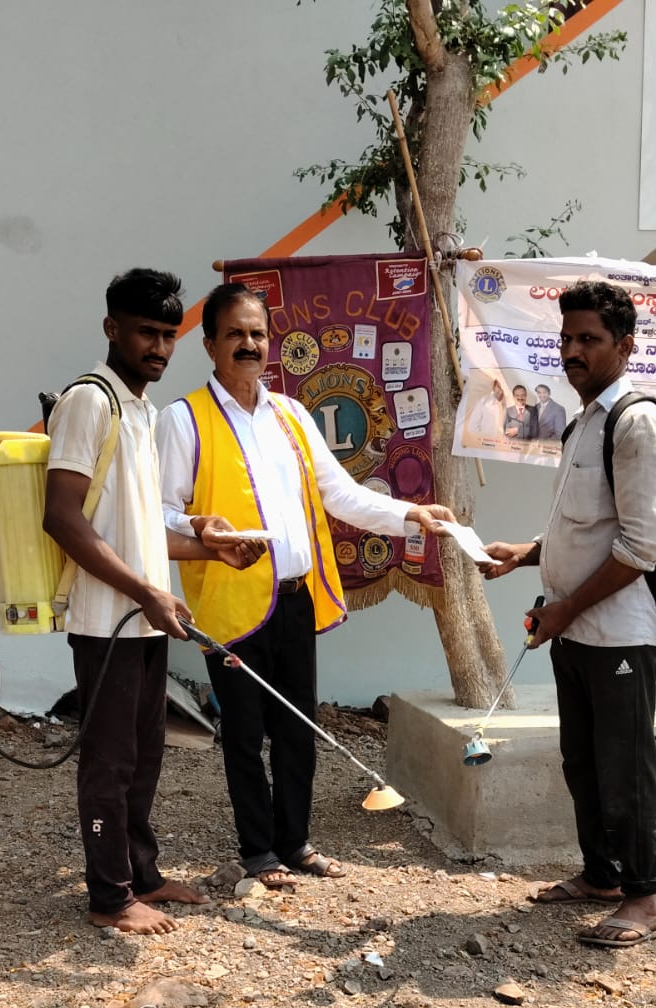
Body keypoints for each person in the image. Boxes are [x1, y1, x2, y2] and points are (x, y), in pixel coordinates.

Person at [156, 280, 453, 891]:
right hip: (231, 606)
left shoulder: (291, 415)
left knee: (299, 728)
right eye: (234, 333)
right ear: (209, 343)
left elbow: (339, 493)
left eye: (258, 333)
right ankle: (257, 851)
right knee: (243, 734)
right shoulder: (182, 420)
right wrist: (198, 525)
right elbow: (156, 512)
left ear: (271, 342)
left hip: (294, 599)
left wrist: (409, 515)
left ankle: (294, 843)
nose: (248, 344)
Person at [43, 268, 262, 935]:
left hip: (142, 615)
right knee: (108, 759)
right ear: (112, 328)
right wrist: (146, 592)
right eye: (146, 332)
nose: (159, 346)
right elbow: (63, 517)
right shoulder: (92, 400)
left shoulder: (141, 410)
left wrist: (207, 550)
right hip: (106, 619)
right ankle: (108, 897)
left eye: (169, 334)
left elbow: (138, 530)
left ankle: (141, 872)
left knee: (143, 753)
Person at [483, 279, 656, 947]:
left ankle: (644, 898)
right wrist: (525, 554)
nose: (572, 350)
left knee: (623, 767)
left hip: (615, 631)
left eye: (587, 339)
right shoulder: (581, 420)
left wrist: (564, 609)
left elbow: (642, 546)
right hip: (573, 629)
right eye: (565, 338)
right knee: (582, 762)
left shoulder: (636, 422)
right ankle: (599, 875)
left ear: (623, 346)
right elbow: (580, 529)